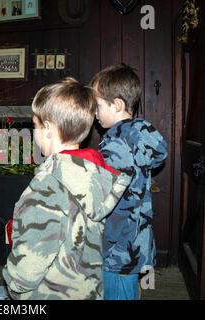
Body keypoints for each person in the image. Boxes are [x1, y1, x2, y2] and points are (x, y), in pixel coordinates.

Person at [2, 78, 132, 300]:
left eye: (35, 126)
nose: (34, 132)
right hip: (87, 290)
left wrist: (14, 285)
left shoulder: (48, 185)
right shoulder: (94, 174)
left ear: (49, 128)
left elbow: (30, 264)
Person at [90, 64, 168, 300]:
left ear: (117, 105)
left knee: (117, 292)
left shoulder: (115, 144)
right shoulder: (142, 134)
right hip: (139, 238)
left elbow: (104, 193)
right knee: (131, 289)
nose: (94, 112)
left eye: (98, 106)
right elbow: (159, 155)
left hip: (119, 246)